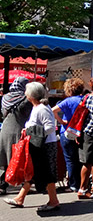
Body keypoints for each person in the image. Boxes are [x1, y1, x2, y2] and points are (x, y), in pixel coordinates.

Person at [4, 82, 60, 212]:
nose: (25, 94)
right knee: (33, 172)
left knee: (46, 173)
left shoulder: (41, 109)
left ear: (31, 95)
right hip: (40, 144)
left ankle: (53, 201)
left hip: (44, 145)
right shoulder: (38, 107)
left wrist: (35, 133)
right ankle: (20, 198)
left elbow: (50, 127)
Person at [0, 77, 32, 195]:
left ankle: (2, 184)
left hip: (5, 128)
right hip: (18, 129)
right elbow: (28, 114)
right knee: (18, 157)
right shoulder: (25, 99)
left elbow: (3, 113)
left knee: (5, 157)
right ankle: (23, 183)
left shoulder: (6, 98)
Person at [52, 78, 85, 192]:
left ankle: (73, 184)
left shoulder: (67, 101)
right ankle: (82, 183)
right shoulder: (85, 100)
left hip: (67, 132)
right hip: (81, 132)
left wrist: (61, 121)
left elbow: (52, 111)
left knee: (70, 160)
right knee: (81, 159)